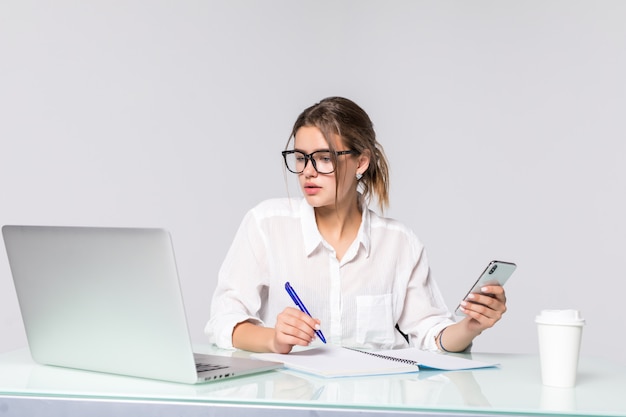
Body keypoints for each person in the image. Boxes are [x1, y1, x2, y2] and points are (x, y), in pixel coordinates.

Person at [205, 96, 507, 354]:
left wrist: (471, 326)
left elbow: (431, 334)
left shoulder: (399, 243)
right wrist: (273, 339)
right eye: (300, 158)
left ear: (361, 163)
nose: (308, 172)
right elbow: (223, 320)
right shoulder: (266, 225)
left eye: (323, 158)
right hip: (295, 402)